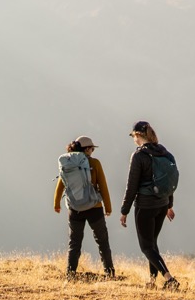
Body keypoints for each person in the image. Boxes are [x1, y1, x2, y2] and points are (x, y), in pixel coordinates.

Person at [119, 121, 180, 290]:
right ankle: (152, 281)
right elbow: (169, 182)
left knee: (146, 246)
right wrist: (169, 205)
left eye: (133, 136)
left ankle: (169, 279)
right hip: (162, 204)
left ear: (138, 135)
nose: (133, 139)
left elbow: (131, 186)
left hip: (145, 205)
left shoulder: (139, 156)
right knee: (152, 242)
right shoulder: (166, 153)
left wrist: (124, 211)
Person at [53, 135, 115, 278]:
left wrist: (56, 204)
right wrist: (108, 207)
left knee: (74, 243)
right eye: (92, 149)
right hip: (94, 207)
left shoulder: (68, 164)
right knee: (102, 241)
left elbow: (61, 184)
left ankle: (70, 273)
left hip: (75, 209)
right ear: (87, 149)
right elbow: (103, 185)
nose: (93, 151)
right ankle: (110, 272)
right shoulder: (95, 163)